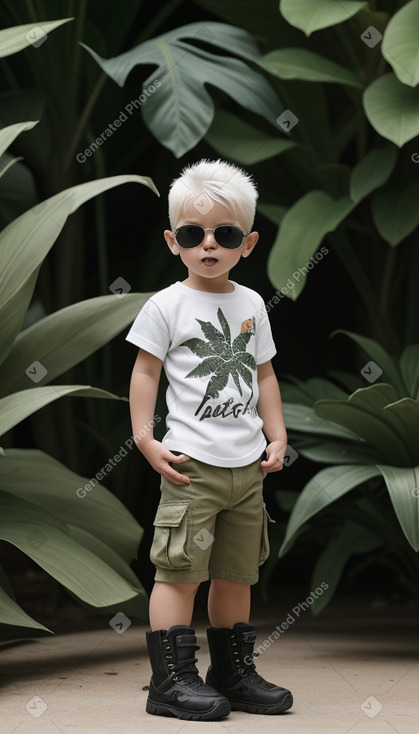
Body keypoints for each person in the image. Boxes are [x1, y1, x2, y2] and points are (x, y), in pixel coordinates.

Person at [126, 158, 293, 721]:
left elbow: (263, 372)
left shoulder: (250, 305)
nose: (209, 246)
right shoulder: (166, 306)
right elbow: (145, 374)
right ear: (175, 241)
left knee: (236, 572)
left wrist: (277, 433)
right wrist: (145, 440)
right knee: (179, 571)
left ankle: (233, 671)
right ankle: (170, 681)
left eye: (225, 234)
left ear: (247, 243)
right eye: (194, 235)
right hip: (190, 466)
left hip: (245, 468)